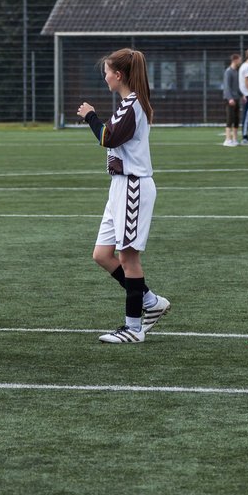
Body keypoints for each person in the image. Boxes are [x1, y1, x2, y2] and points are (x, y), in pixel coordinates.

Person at [77, 48, 172, 344]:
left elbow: (108, 137)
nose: (104, 76)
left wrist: (90, 115)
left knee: (128, 257)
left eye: (107, 72)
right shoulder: (127, 103)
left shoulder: (133, 105)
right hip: (120, 186)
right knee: (102, 255)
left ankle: (133, 328)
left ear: (118, 75)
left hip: (134, 186)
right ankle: (151, 301)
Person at [221, 53, 242, 147]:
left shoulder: (236, 71)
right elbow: (227, 87)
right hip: (230, 99)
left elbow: (236, 87)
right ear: (235, 60)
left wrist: (242, 95)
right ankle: (227, 139)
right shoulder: (228, 71)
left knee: (236, 119)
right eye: (239, 59)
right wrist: (230, 98)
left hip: (237, 98)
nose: (240, 61)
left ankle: (234, 139)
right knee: (230, 119)